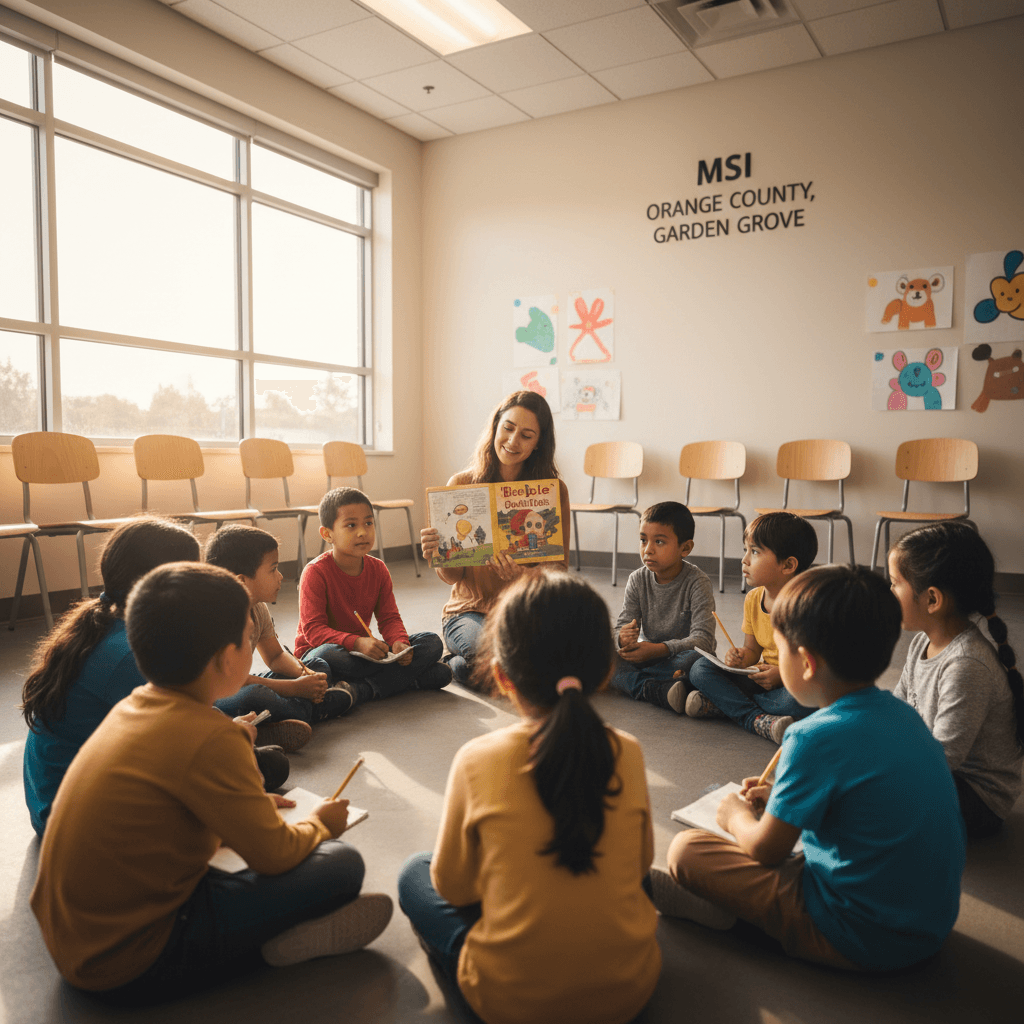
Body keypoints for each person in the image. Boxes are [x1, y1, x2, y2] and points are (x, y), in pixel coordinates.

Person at [30, 562, 392, 1003]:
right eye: (247, 636)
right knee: (341, 862)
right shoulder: (211, 736)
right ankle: (273, 947)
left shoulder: (134, 706)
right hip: (133, 960)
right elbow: (275, 855)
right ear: (226, 657)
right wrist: (323, 823)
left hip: (72, 941)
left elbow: (175, 805)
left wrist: (241, 808)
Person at [651, 565, 966, 973]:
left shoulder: (810, 736)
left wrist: (736, 817)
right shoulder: (905, 716)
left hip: (860, 935)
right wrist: (780, 798)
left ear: (808, 664)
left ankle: (736, 919)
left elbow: (767, 850)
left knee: (687, 850)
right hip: (929, 925)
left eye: (781, 651)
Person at [397, 571, 660, 1024]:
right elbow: (639, 868)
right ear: (605, 672)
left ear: (501, 675)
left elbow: (454, 888)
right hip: (628, 993)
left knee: (414, 873)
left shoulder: (477, 759)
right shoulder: (628, 752)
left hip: (509, 1002)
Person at [20, 517, 287, 836]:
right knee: (266, 764)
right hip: (75, 817)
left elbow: (175, 714)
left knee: (252, 750)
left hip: (66, 795)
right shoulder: (129, 655)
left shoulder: (110, 619)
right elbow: (176, 737)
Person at [420, 391, 570, 688]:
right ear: (495, 426)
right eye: (508, 428)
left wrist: (523, 575)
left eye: (527, 435)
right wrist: (437, 554)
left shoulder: (553, 491)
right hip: (469, 612)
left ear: (539, 443)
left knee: (572, 645)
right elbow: (452, 579)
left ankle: (461, 668)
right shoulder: (461, 484)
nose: (513, 441)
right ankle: (490, 665)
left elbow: (559, 571)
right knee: (487, 648)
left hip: (522, 611)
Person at [889, 522, 1024, 838]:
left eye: (895, 583)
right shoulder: (921, 641)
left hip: (975, 797)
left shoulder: (966, 664)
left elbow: (944, 757)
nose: (889, 591)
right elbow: (896, 709)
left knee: (868, 795)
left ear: (932, 599)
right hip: (936, 769)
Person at [295, 487, 449, 705]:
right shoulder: (315, 572)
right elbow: (313, 631)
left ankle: (362, 689)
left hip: (362, 654)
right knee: (330, 657)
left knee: (432, 643)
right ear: (327, 534)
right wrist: (356, 643)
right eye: (351, 525)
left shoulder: (378, 569)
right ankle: (406, 679)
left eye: (368, 523)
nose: (362, 532)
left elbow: (389, 618)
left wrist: (399, 643)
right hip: (322, 653)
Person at [207, 524, 353, 750]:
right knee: (254, 696)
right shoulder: (217, 616)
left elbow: (275, 656)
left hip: (245, 681)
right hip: (216, 697)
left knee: (317, 664)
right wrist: (295, 688)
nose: (281, 577)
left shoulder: (258, 607)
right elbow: (237, 680)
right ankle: (315, 709)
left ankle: (271, 724)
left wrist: (305, 674)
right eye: (273, 569)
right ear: (242, 581)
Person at [686, 511, 818, 744]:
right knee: (699, 668)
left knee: (800, 701)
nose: (744, 560)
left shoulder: (808, 605)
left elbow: (818, 664)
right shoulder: (753, 598)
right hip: (758, 679)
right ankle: (757, 718)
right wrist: (740, 658)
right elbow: (752, 651)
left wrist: (782, 675)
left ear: (788, 565)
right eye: (745, 550)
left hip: (792, 684)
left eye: (755, 552)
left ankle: (728, 706)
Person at [609, 501, 716, 713]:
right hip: (648, 658)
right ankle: (657, 689)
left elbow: (703, 641)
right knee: (606, 656)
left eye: (659, 542)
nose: (647, 550)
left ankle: (644, 685)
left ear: (685, 548)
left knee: (696, 663)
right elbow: (619, 628)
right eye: (643, 540)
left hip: (679, 658)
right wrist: (623, 638)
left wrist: (659, 650)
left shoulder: (697, 582)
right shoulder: (637, 579)